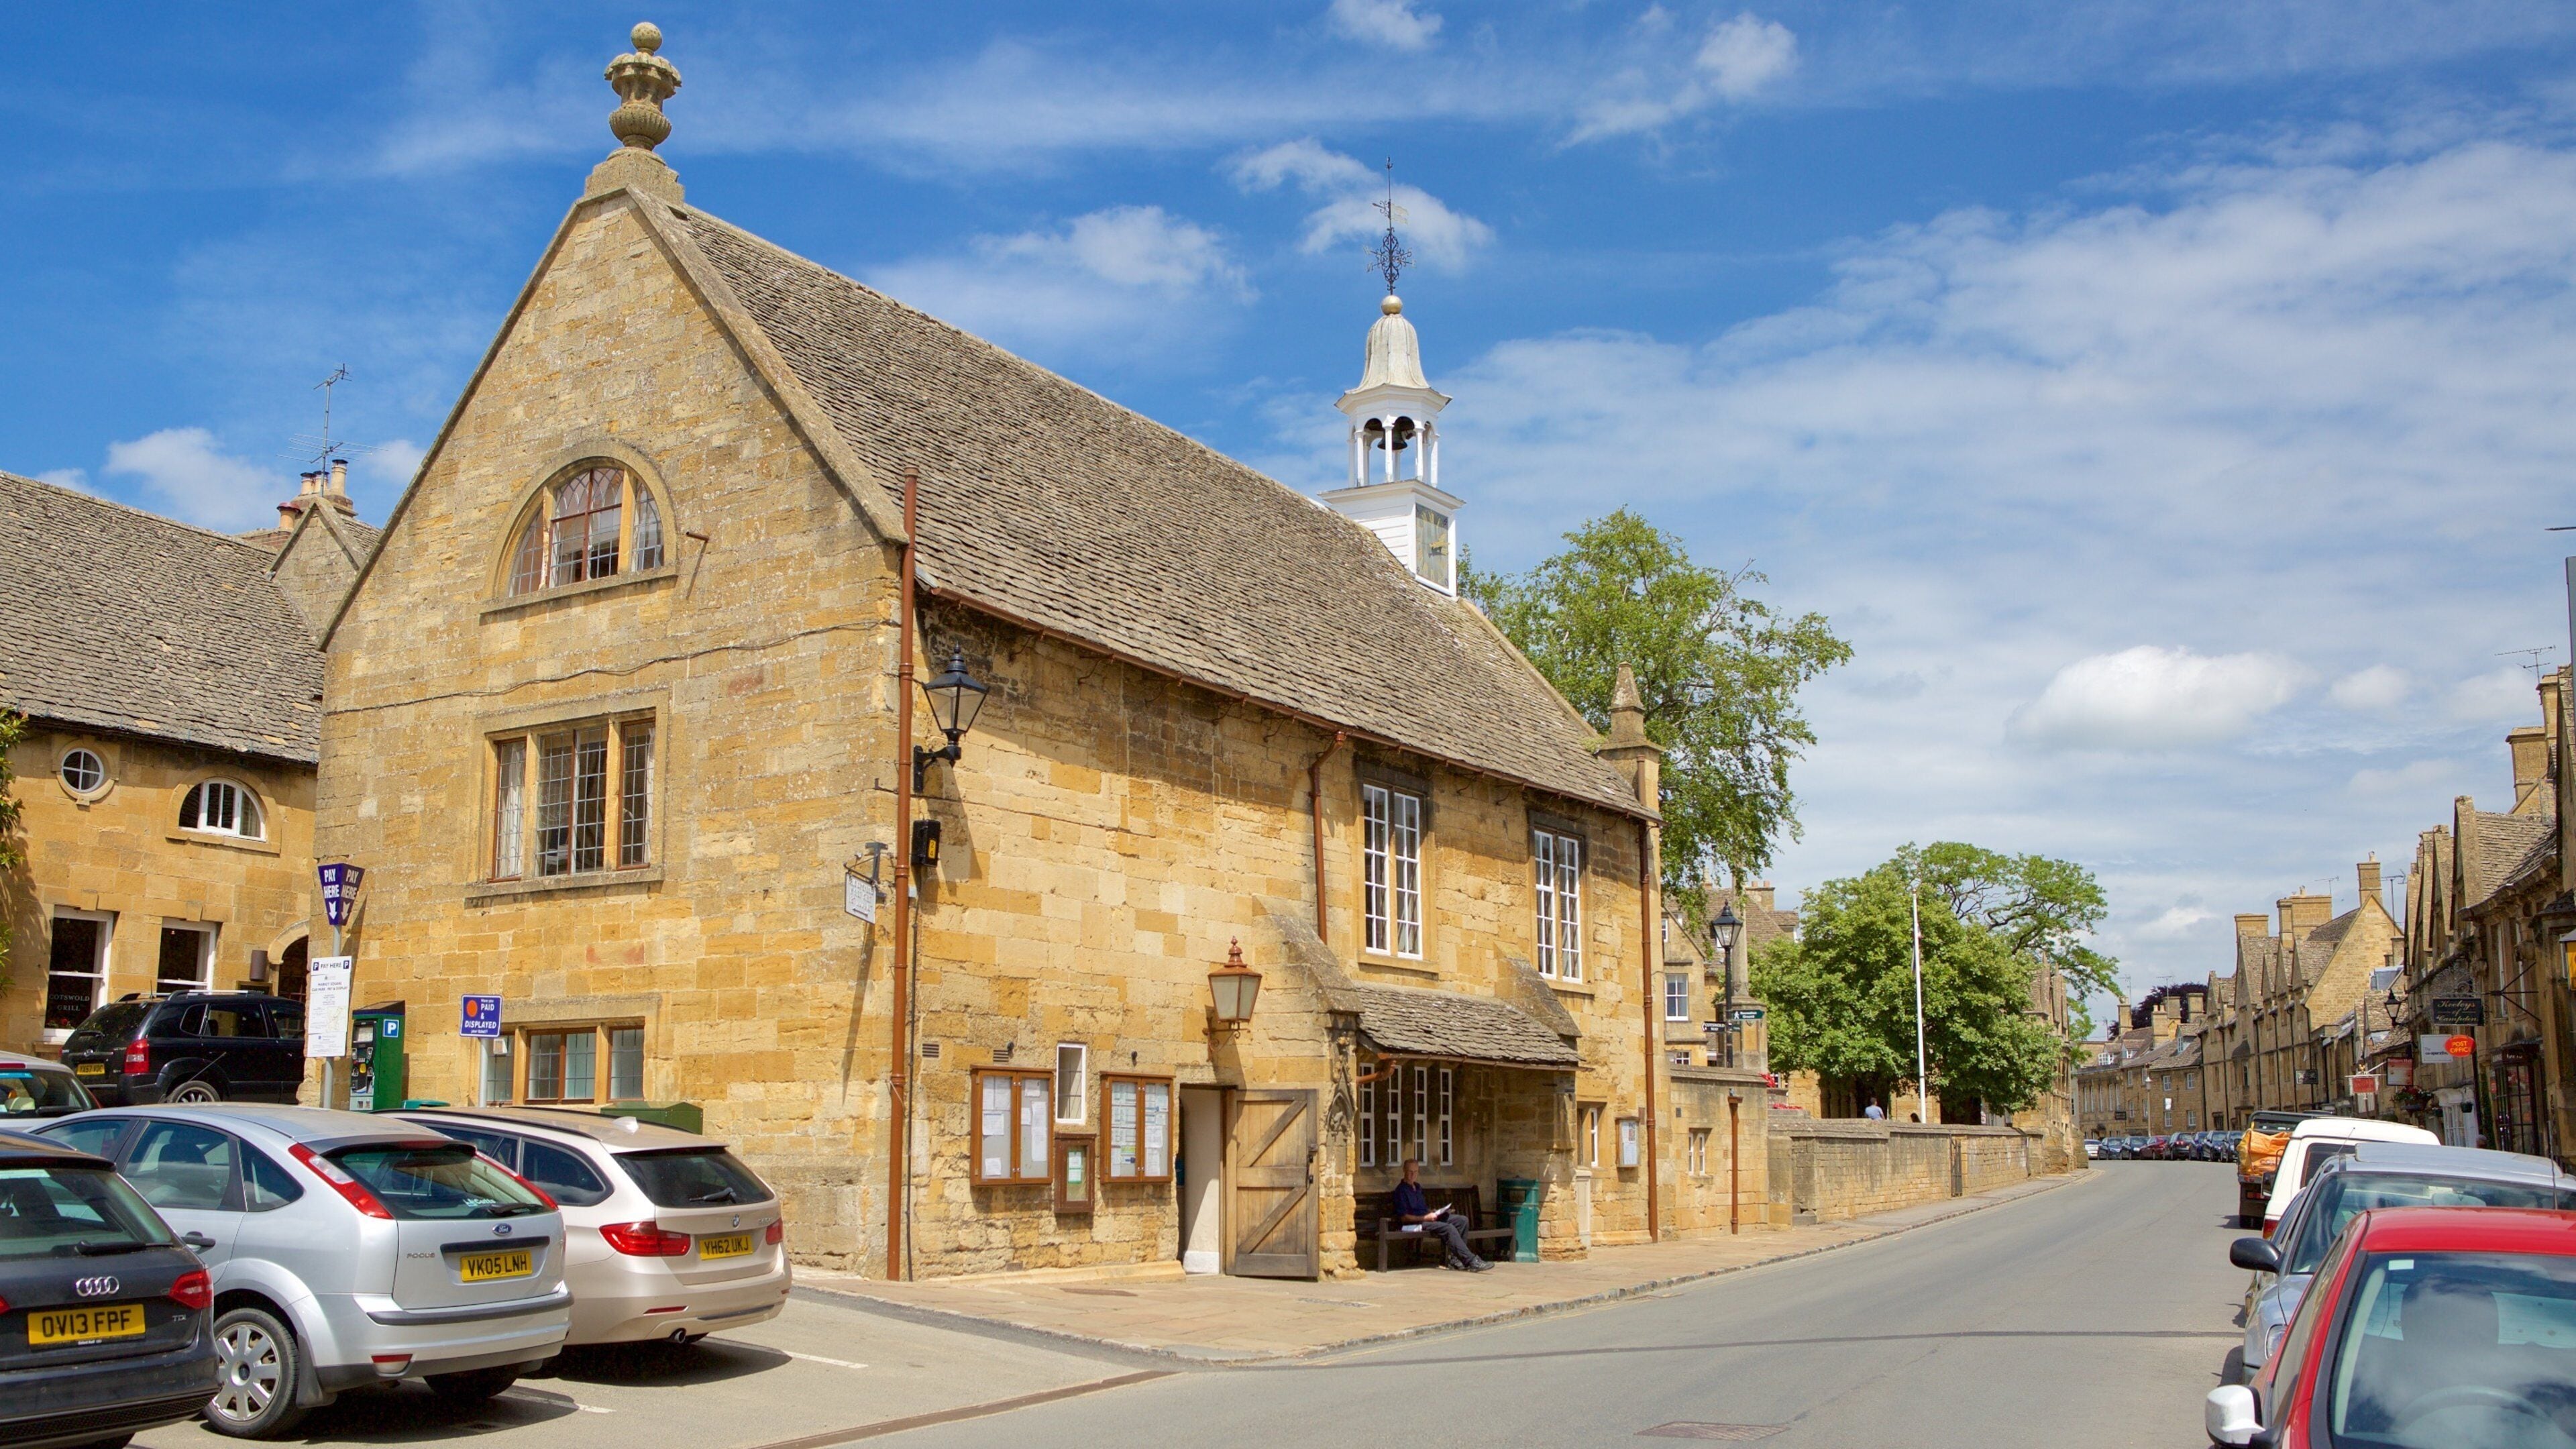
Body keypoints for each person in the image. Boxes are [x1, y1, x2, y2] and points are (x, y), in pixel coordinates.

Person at [1391, 1159, 1489, 1271]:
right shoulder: (1401, 1191)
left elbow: (1422, 1209)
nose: (1413, 1175)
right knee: (1449, 1228)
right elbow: (1404, 1218)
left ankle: (1456, 1259)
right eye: (1410, 1171)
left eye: (1415, 1171)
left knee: (1462, 1221)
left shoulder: (1417, 1187)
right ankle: (1471, 1261)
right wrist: (1425, 1218)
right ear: (1404, 1170)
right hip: (1414, 1224)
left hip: (1426, 1219)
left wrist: (1434, 1212)